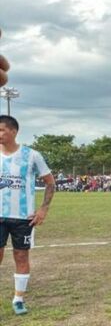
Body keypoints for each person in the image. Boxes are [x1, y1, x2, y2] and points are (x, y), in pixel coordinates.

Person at [0, 115, 55, 315]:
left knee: (21, 256)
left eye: (1, 130)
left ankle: (18, 299)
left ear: (13, 131)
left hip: (24, 217)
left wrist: (43, 209)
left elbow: (50, 182)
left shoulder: (32, 155)